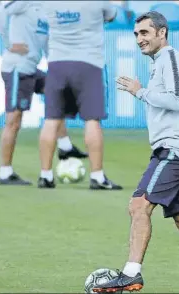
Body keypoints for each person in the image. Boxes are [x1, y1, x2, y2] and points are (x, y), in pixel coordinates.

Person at [93, 12, 179, 294]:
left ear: (162, 33)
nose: (140, 39)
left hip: (175, 149)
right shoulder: (159, 62)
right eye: (137, 34)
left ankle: (130, 273)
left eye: (145, 33)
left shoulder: (171, 58)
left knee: (139, 205)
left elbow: (176, 100)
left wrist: (140, 91)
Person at [0, 1, 87, 186]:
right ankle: (5, 172)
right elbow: (0, 12)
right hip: (16, 69)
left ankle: (65, 146)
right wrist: (9, 43)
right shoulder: (25, 3)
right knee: (14, 120)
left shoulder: (48, 10)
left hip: (31, 69)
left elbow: (47, 45)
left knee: (57, 93)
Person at [38, 1, 122, 190]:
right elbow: (112, 15)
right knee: (92, 120)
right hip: (88, 63)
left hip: (57, 64)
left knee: (52, 120)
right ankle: (97, 176)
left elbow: (42, 22)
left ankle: (45, 175)